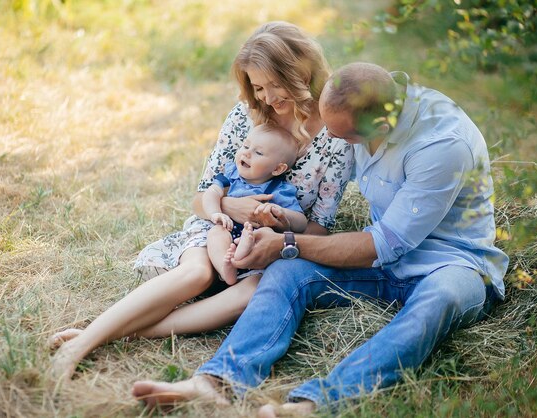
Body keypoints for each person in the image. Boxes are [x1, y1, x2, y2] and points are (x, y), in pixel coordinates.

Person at [130, 62, 510, 417]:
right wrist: (265, 216)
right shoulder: (363, 100)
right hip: (385, 265)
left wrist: (287, 243)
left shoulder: (442, 145)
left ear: (380, 125)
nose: (330, 138)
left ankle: (318, 402)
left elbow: (381, 244)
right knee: (285, 273)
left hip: (454, 263)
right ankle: (217, 380)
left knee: (439, 298)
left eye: (344, 136)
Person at [48, 21, 354, 380]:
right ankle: (81, 345)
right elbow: (202, 196)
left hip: (269, 247)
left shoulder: (335, 135)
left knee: (252, 292)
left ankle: (108, 335)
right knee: (196, 272)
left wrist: (279, 238)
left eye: (275, 84)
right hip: (217, 227)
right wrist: (227, 208)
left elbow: (320, 227)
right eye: (258, 87)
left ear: (301, 70)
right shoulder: (246, 115)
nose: (268, 98)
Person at [204, 123, 307, 285]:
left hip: (257, 238)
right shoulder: (231, 175)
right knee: (216, 233)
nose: (246, 153)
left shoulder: (279, 190)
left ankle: (242, 253)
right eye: (246, 145)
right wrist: (215, 213)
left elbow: (301, 222)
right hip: (228, 229)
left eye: (258, 152)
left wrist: (281, 212)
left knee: (263, 234)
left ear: (278, 168)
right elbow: (211, 193)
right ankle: (226, 269)